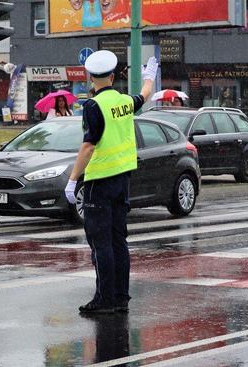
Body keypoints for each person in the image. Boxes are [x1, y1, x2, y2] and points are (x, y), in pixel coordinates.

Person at [64, 50, 158, 314]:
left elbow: (88, 147)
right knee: (119, 241)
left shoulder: (93, 106)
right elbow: (146, 94)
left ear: (90, 77)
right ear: (114, 77)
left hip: (99, 182)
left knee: (101, 243)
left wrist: (72, 181)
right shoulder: (125, 102)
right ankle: (120, 297)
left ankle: (104, 299)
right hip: (122, 179)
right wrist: (150, 75)